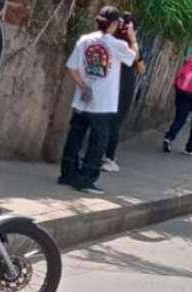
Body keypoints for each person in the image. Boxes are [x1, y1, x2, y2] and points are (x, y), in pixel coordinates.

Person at [58, 6, 138, 195]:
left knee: (75, 136)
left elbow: (72, 67)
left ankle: (67, 174)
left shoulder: (85, 40)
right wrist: (132, 37)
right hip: (103, 102)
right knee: (98, 141)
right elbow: (133, 57)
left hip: (83, 98)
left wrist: (83, 86)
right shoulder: (116, 45)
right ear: (113, 24)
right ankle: (86, 179)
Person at [102, 12, 145, 173]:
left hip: (106, 85)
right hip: (123, 86)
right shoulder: (128, 45)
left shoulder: (107, 40)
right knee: (115, 123)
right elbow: (141, 69)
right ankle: (108, 158)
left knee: (104, 121)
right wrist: (133, 40)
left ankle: (97, 154)